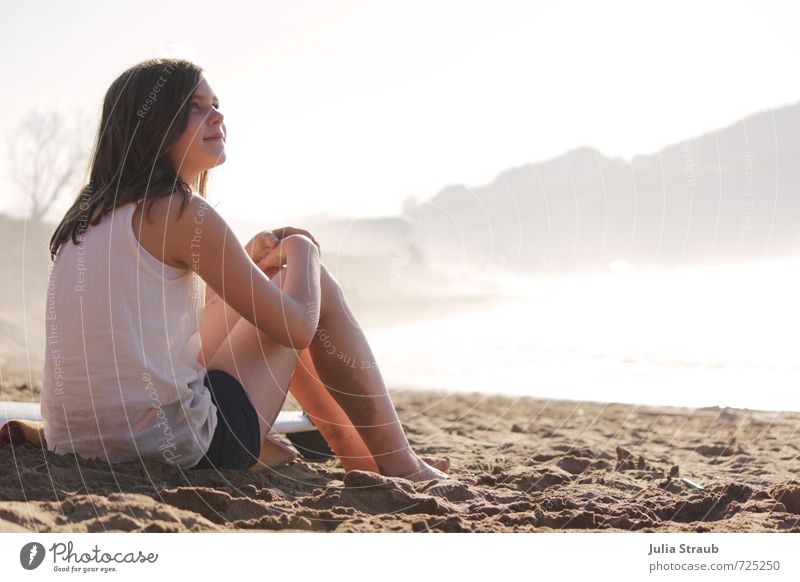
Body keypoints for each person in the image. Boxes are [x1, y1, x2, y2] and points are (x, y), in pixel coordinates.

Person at [42, 57, 449, 481]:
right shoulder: (181, 211)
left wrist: (251, 264)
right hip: (178, 446)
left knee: (274, 286)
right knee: (313, 288)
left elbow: (170, 336)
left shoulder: (88, 218)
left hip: (75, 444)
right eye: (195, 106)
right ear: (153, 125)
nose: (217, 116)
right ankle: (400, 462)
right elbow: (295, 328)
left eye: (215, 104)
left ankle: (367, 458)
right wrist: (302, 249)